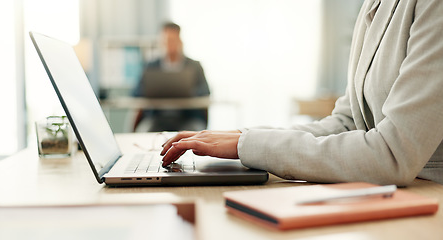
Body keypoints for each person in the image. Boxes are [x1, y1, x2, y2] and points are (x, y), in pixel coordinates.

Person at [160, 0, 443, 186]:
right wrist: (244, 138)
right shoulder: (374, 4)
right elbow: (347, 122)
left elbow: (393, 155)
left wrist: (249, 146)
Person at [132, 22, 210, 132]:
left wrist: (186, 92)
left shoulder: (194, 66)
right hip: (157, 118)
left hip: (188, 118)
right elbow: (136, 92)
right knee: (144, 132)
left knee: (193, 134)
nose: (169, 44)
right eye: (166, 40)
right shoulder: (150, 66)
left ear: (180, 41)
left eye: (172, 40)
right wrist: (153, 92)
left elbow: (205, 92)